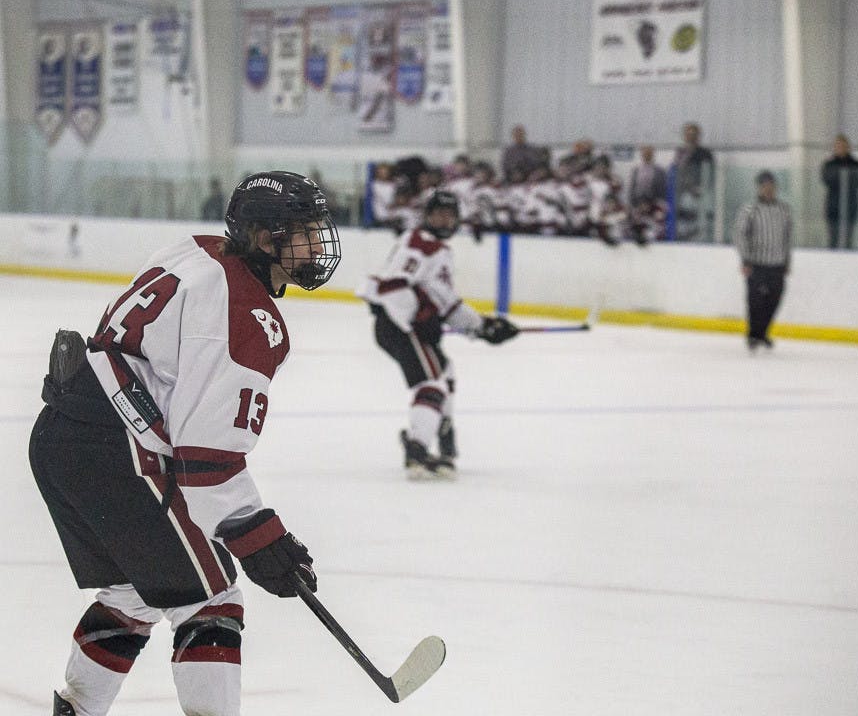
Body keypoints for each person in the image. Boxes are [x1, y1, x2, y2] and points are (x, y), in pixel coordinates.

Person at [30, 171, 342, 716]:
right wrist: (258, 535)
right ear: (266, 238)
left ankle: (74, 710)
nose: (316, 244)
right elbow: (206, 459)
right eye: (305, 231)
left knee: (132, 591)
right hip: (117, 449)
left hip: (62, 432)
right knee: (211, 599)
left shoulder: (199, 252)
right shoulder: (247, 316)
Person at [356, 190, 519, 480]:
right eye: (439, 213)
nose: (445, 219)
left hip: (408, 326)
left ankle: (444, 435)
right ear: (427, 216)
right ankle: (417, 449)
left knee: (446, 372)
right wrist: (417, 319)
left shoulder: (439, 250)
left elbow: (446, 302)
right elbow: (393, 286)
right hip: (399, 325)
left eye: (450, 214)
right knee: (432, 383)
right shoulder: (420, 242)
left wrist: (482, 327)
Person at [733, 170, 792, 351]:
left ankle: (762, 332)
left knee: (774, 299)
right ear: (759, 188)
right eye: (765, 186)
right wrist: (745, 258)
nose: (769, 189)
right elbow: (740, 234)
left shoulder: (784, 209)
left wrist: (787, 260)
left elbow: (787, 237)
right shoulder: (750, 209)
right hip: (756, 262)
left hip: (777, 263)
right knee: (755, 300)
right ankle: (754, 334)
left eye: (772, 186)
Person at [672, 122, 715, 240]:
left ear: (698, 136)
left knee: (700, 222)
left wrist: (699, 188)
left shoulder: (705, 153)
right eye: (688, 134)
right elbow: (677, 171)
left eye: (694, 134)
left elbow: (710, 174)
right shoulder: (680, 152)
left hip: (700, 194)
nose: (691, 136)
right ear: (684, 136)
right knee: (683, 221)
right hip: (683, 193)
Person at [821, 134, 858, 249]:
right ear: (835, 147)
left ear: (848, 147)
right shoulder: (828, 165)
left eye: (843, 146)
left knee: (848, 238)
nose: (841, 148)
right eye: (838, 146)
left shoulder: (856, 164)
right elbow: (827, 181)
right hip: (833, 208)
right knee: (833, 238)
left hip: (850, 207)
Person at [627, 145, 668, 245]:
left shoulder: (659, 171)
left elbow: (662, 189)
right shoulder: (636, 170)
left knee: (652, 224)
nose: (646, 155)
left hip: (653, 205)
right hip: (638, 204)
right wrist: (633, 204)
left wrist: (656, 204)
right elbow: (633, 188)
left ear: (652, 155)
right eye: (645, 153)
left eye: (649, 153)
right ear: (641, 155)